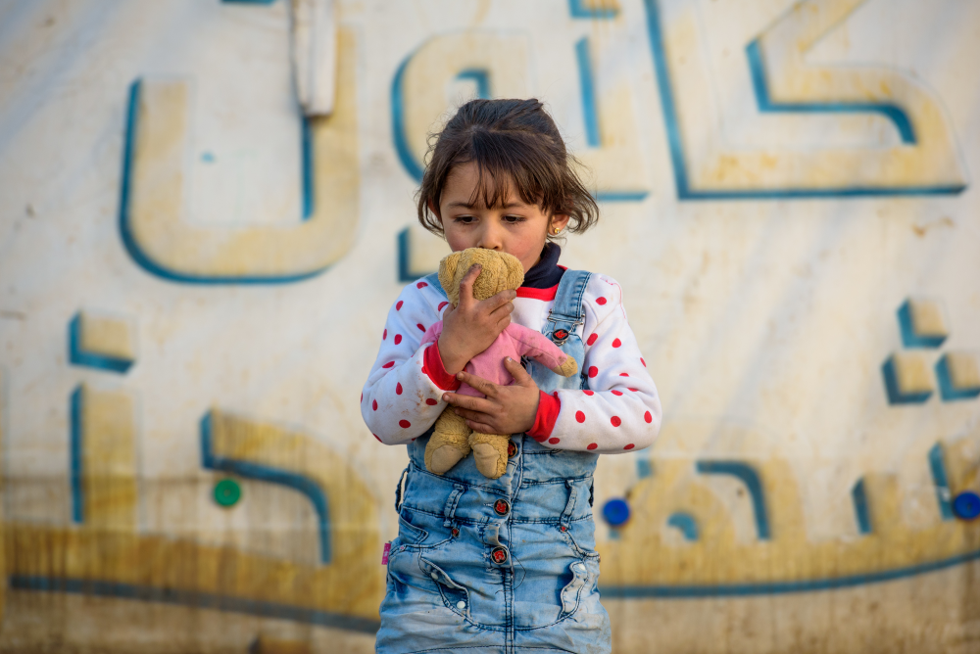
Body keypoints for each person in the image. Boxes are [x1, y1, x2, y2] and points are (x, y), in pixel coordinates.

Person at [361, 98, 662, 654]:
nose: (488, 238)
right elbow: (382, 417)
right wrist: (443, 354)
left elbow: (641, 415)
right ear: (436, 211)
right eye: (465, 217)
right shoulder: (423, 306)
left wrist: (540, 413)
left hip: (556, 595)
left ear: (558, 214)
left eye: (513, 218)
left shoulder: (592, 299)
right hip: (434, 593)